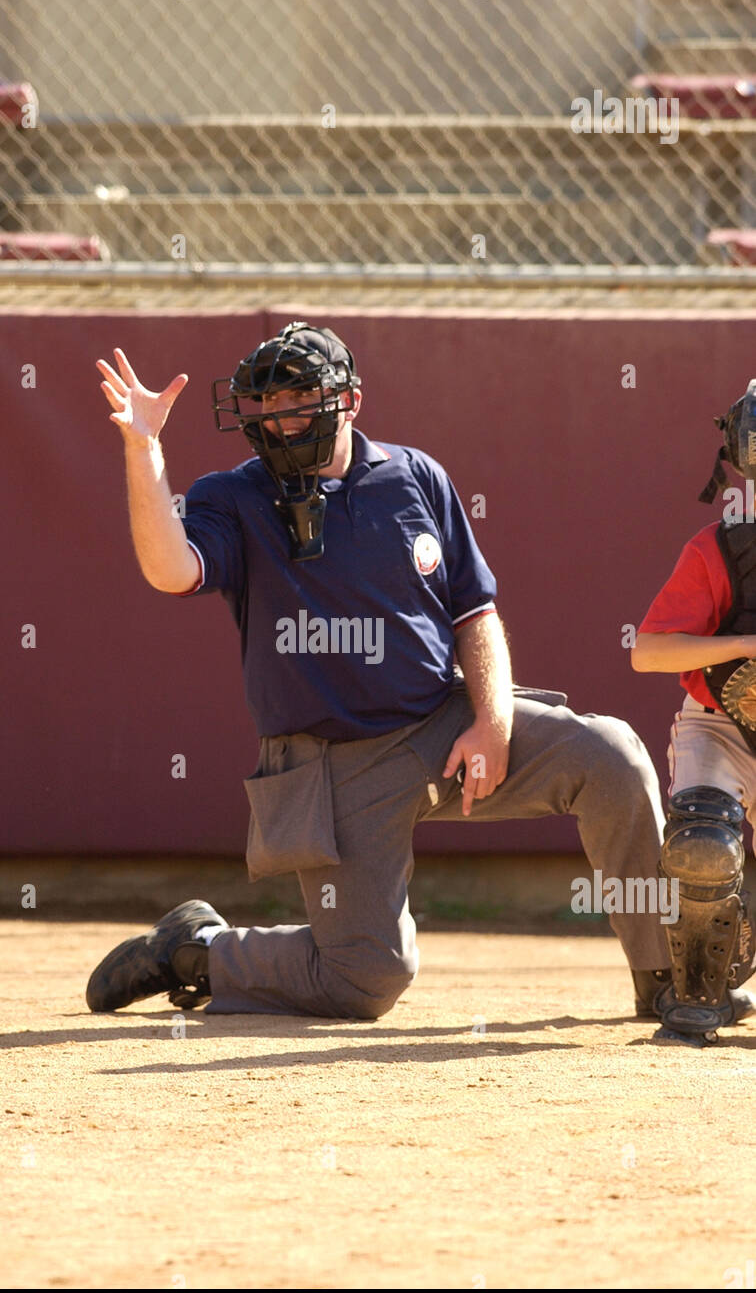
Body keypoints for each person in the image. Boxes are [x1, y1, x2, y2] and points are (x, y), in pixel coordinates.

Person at [87, 320, 673, 1025]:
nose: (279, 419)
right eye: (266, 403)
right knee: (365, 979)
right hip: (334, 766)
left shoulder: (416, 476)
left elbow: (475, 613)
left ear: (350, 402)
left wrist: (492, 721)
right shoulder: (235, 497)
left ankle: (667, 977)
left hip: (441, 721)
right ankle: (199, 952)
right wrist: (145, 450)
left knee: (613, 756)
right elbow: (170, 569)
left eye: (299, 399)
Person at [632, 380, 756, 1043]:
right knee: (703, 844)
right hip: (721, 726)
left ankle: (742, 946)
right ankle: (702, 991)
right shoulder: (719, 548)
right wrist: (742, 645)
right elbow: (647, 653)